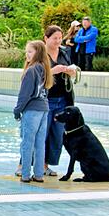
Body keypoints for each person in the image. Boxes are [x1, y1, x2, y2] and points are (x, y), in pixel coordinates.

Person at [13, 41, 53, 183]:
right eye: (27, 51)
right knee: (40, 143)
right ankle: (39, 175)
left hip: (32, 110)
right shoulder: (44, 68)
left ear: (38, 53)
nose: (27, 54)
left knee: (27, 143)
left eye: (30, 52)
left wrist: (17, 111)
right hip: (44, 109)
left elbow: (24, 95)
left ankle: (25, 175)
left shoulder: (31, 70)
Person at [43, 25, 77, 177]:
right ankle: (39, 164)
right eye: (54, 38)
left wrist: (71, 71)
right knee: (42, 133)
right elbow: (34, 73)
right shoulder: (40, 53)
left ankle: (48, 164)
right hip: (46, 99)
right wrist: (52, 71)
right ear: (46, 38)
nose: (57, 41)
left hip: (63, 99)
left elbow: (72, 71)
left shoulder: (64, 51)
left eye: (59, 38)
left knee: (57, 134)